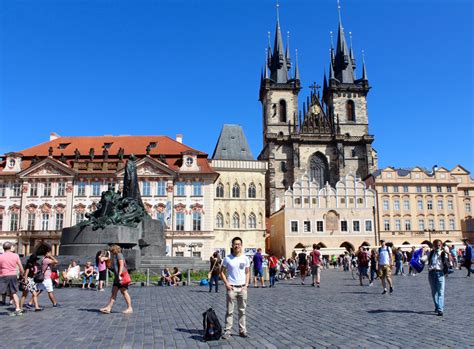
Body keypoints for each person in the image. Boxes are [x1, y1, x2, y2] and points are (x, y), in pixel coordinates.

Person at [220, 237, 250, 340]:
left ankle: (242, 330)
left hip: (242, 288)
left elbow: (247, 272)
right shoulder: (227, 258)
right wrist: (227, 284)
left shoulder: (245, 258)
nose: (237, 246)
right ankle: (227, 331)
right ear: (232, 245)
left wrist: (246, 285)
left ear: (241, 245)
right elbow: (221, 272)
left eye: (239, 244)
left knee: (242, 311)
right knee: (229, 311)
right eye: (235, 244)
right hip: (231, 288)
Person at [100, 245, 133, 314]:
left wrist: (119, 275)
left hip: (121, 276)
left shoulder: (119, 255)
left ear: (114, 250)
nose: (111, 251)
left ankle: (130, 308)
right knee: (114, 292)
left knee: (124, 292)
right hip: (117, 277)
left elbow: (121, 265)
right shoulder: (115, 256)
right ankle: (109, 308)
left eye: (112, 250)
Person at [0, 242, 24, 316]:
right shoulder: (15, 256)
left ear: (3, 248)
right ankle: (18, 309)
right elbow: (20, 267)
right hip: (13, 275)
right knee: (13, 292)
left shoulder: (1, 256)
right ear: (10, 248)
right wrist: (22, 275)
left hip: (3, 275)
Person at [427, 239, 450, 316]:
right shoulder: (430, 253)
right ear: (433, 246)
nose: (437, 247)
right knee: (434, 293)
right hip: (431, 273)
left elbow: (448, 263)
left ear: (441, 245)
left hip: (440, 273)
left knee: (440, 292)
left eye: (439, 245)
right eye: (435, 245)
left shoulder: (443, 253)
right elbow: (423, 260)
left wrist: (446, 270)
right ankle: (437, 306)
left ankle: (440, 309)